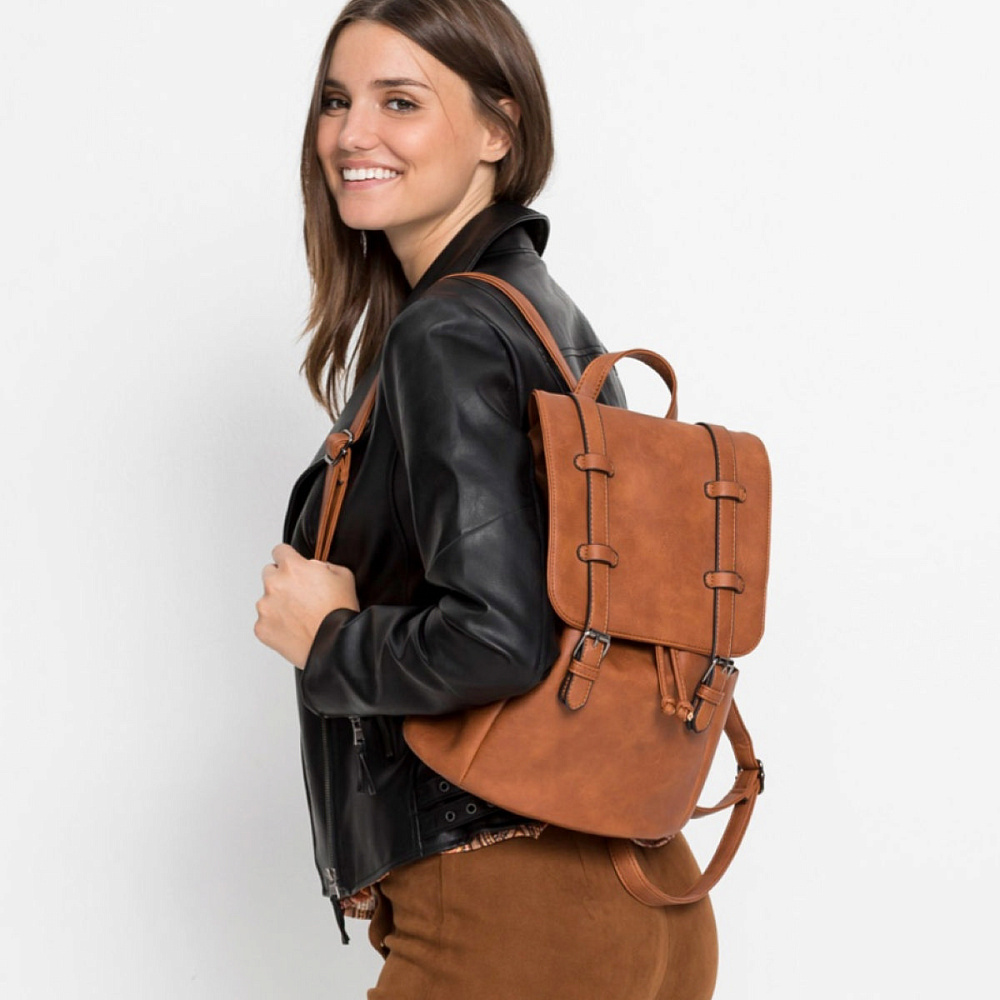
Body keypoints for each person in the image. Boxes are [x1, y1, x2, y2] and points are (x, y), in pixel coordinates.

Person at [254, 1, 719, 996]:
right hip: (640, 884)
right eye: (336, 101)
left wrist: (328, 638)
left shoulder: (451, 332)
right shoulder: (547, 318)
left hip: (514, 907)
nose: (352, 134)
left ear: (499, 130)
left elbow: (496, 640)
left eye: (400, 102)